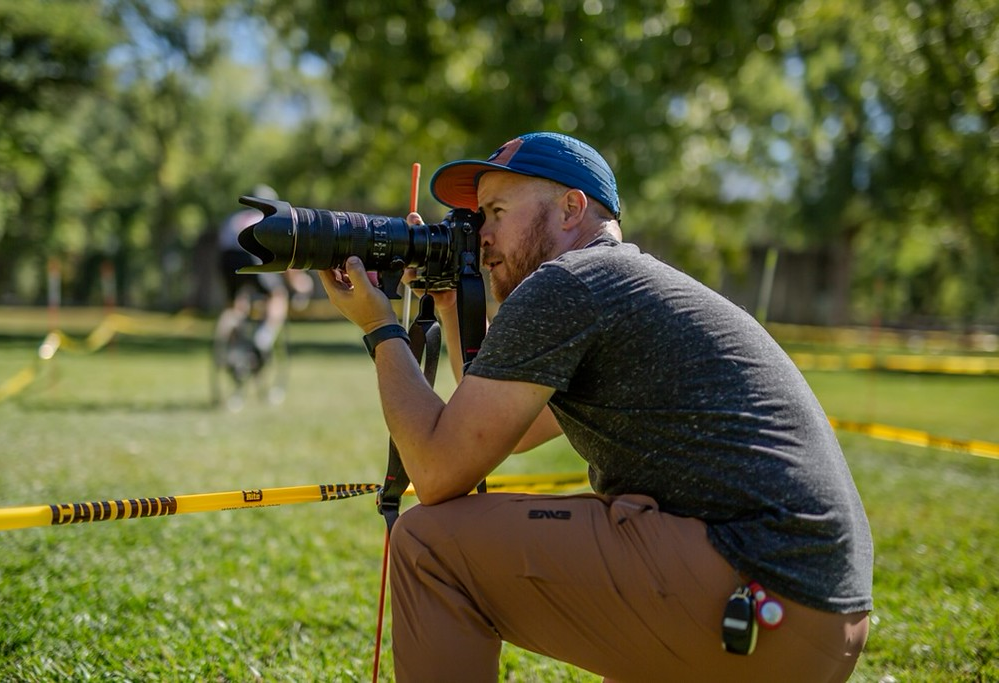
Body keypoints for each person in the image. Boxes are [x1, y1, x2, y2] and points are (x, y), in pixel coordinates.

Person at [316, 132, 873, 682]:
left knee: (428, 546)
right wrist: (448, 298)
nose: (480, 237)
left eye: (495, 212)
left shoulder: (569, 283)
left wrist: (379, 327)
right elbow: (497, 424)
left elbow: (437, 473)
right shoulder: (620, 284)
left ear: (570, 208)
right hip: (816, 619)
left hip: (755, 595)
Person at [217, 184, 312, 372]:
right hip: (250, 254)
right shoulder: (272, 220)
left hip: (226, 257)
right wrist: (299, 285)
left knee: (236, 305)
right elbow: (286, 261)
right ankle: (263, 338)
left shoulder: (231, 219)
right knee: (277, 295)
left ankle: (233, 347)